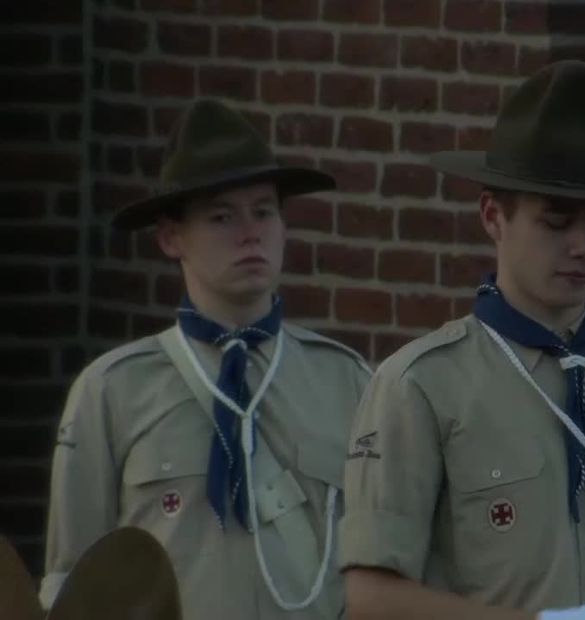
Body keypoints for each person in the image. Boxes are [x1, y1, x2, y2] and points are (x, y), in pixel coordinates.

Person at [340, 60, 585, 620]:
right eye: (556, 221)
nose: (582, 247)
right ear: (494, 216)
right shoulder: (421, 383)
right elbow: (368, 600)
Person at [42, 99, 372, 619]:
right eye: (222, 216)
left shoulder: (347, 381)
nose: (250, 233)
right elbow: (73, 585)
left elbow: (383, 566)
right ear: (172, 237)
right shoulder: (112, 391)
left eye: (264, 211)